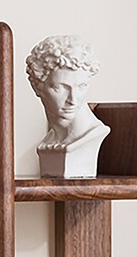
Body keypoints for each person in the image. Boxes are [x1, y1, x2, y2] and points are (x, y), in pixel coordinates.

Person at [26, 35, 109, 177]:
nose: (73, 99)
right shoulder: (50, 141)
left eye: (81, 87)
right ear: (37, 87)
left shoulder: (91, 135)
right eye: (60, 88)